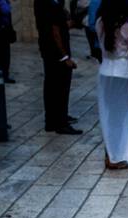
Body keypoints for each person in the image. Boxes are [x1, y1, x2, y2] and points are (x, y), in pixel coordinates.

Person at [96, 0, 128, 168]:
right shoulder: (127, 28)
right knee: (124, 116)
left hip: (105, 70)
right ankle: (119, 155)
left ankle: (110, 153)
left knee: (110, 114)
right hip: (123, 71)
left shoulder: (100, 23)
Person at [35, 0, 80, 132]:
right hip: (56, 52)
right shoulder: (50, 4)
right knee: (60, 86)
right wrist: (65, 56)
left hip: (48, 49)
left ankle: (52, 120)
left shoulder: (48, 4)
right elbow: (54, 30)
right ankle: (61, 123)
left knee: (51, 85)